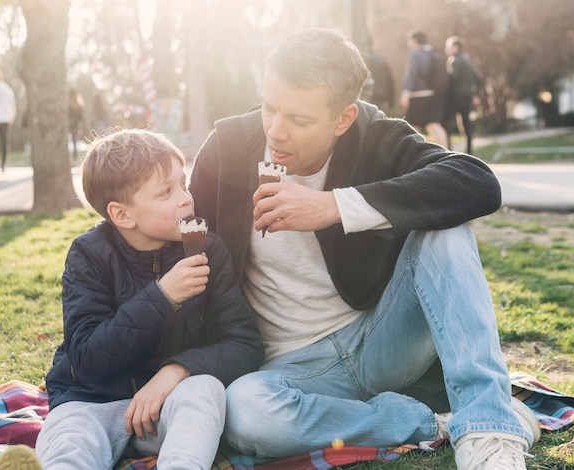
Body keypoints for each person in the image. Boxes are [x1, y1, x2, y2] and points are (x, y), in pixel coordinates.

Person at [189, 28, 541, 470]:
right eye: (269, 108)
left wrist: (334, 205)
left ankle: (489, 435)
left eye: (299, 120)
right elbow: (183, 254)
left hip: (382, 340)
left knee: (445, 231)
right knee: (243, 412)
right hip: (289, 370)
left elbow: (478, 184)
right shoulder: (225, 150)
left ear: (343, 118)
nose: (276, 131)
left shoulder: (375, 134)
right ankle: (437, 423)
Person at [0, 128, 264, 470]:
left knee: (205, 390)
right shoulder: (88, 255)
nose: (185, 198)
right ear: (122, 215)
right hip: (89, 403)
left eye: (184, 184)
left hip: (164, 404)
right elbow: (88, 358)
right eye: (166, 191)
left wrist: (177, 370)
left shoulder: (209, 250)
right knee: (67, 451)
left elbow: (245, 344)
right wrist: (162, 297)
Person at [400, 30, 448, 147]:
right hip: (434, 94)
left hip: (418, 95)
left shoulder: (416, 55)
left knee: (412, 126)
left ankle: (408, 154)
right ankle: (447, 154)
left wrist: (406, 92)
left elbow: (413, 74)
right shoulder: (435, 53)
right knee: (434, 124)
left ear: (415, 41)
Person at [442, 36, 482, 154]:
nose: (446, 50)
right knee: (466, 125)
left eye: (448, 47)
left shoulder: (453, 60)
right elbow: (478, 79)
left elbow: (452, 79)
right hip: (467, 96)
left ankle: (448, 152)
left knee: (443, 122)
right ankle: (469, 153)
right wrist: (476, 95)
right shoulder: (467, 60)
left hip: (455, 97)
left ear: (455, 47)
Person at [361, 36, 395, 112]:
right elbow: (389, 80)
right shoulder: (381, 58)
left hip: (363, 96)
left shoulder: (359, 58)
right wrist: (390, 99)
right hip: (379, 95)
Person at [67, 88, 85, 163]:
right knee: (74, 143)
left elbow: (80, 119)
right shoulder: (78, 106)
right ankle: (74, 159)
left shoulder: (75, 106)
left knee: (74, 143)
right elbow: (80, 119)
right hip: (73, 126)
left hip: (72, 126)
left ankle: (74, 159)